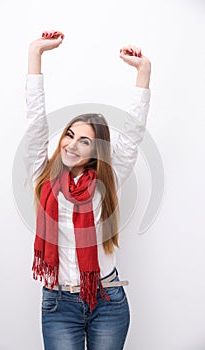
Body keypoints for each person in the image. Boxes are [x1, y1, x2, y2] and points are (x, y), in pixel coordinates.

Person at [24, 29, 151, 350]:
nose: (73, 144)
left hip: (108, 302)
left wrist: (143, 72)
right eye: (69, 134)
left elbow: (133, 134)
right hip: (57, 304)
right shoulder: (43, 173)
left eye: (85, 141)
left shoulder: (109, 180)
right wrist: (35, 55)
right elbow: (35, 123)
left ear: (97, 151)